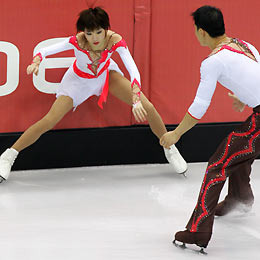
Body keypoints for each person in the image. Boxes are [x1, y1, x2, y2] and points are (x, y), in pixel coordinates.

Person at [0, 7, 187, 183]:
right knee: (49, 120)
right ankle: (9, 155)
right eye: (89, 33)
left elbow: (133, 69)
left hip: (105, 76)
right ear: (84, 32)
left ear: (106, 29)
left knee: (149, 107)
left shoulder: (115, 41)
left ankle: (169, 147)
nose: (94, 38)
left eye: (98, 32)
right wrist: (36, 62)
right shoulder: (78, 41)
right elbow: (45, 51)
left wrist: (136, 98)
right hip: (78, 81)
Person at [160, 5, 260, 251]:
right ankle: (239, 197)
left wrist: (176, 133)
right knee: (237, 150)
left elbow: (199, 107)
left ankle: (198, 231)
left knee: (217, 164)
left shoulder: (213, 62)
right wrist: (244, 98)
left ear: (201, 31)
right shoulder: (245, 45)